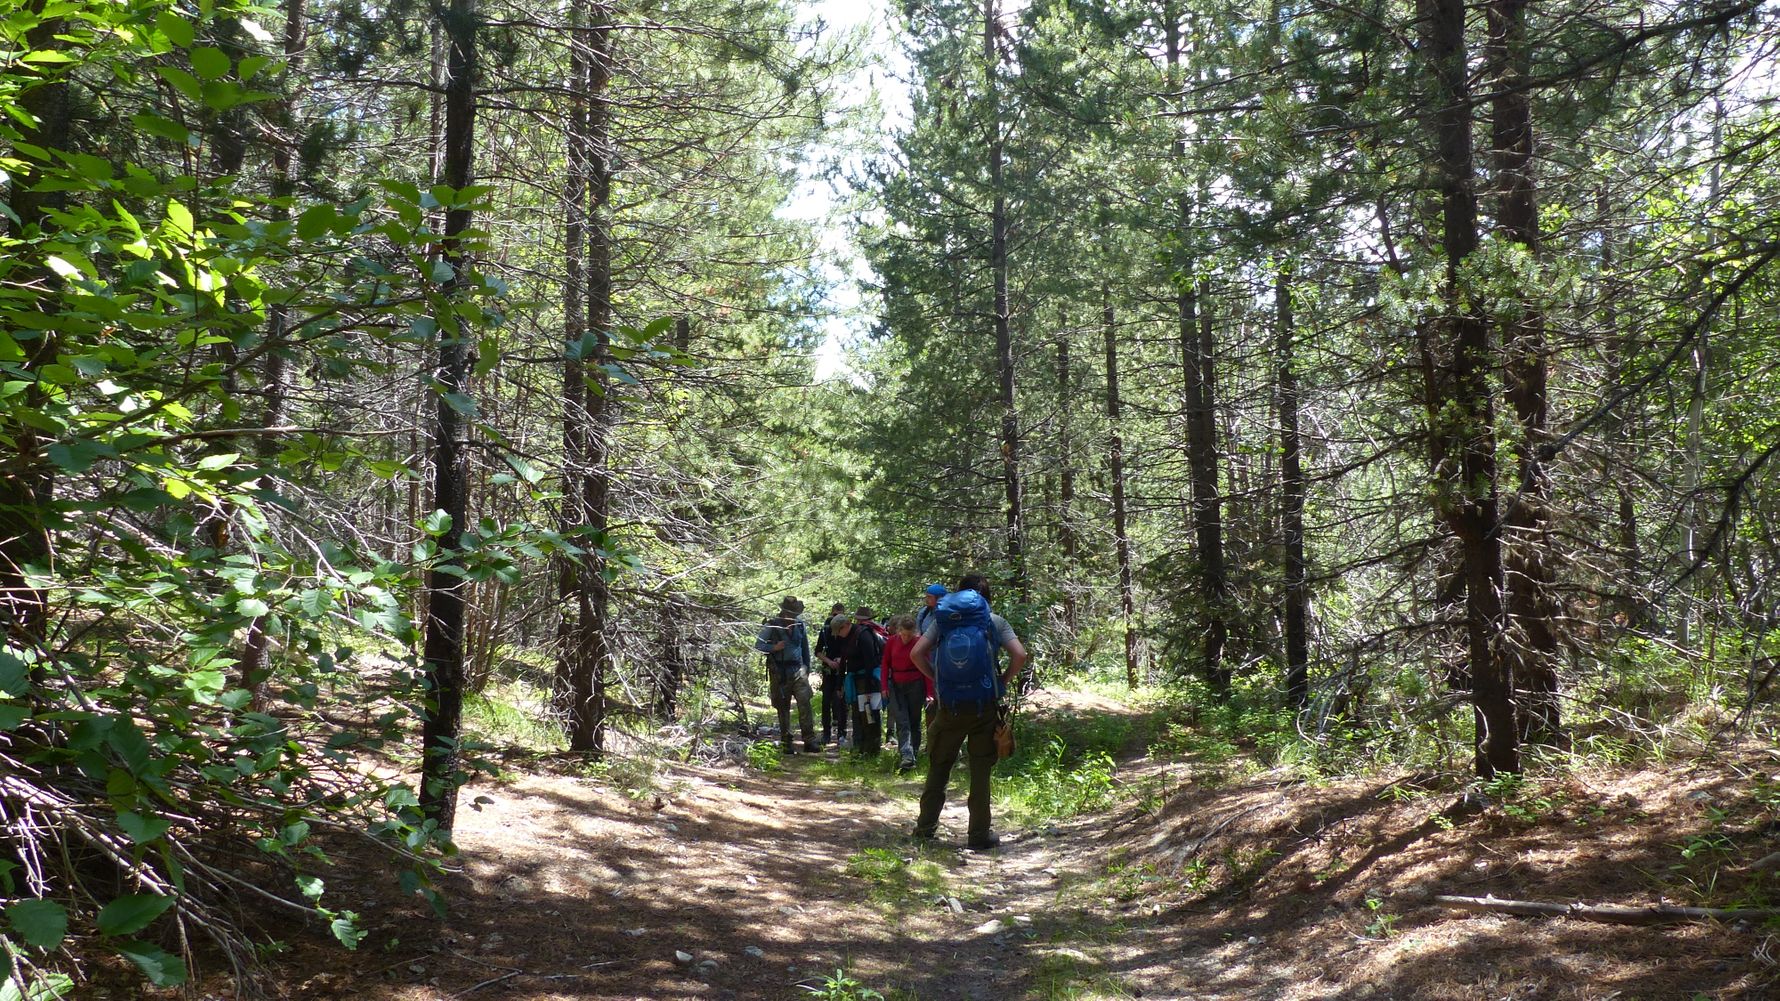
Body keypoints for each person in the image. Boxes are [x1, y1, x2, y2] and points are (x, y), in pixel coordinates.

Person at [910, 573, 1027, 850]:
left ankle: (925, 829)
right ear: (986, 597)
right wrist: (1002, 682)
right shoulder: (993, 621)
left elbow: (916, 654)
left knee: (939, 766)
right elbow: (1020, 655)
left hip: (949, 706)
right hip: (983, 707)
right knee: (980, 771)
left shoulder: (943, 621)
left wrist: (937, 681)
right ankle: (978, 835)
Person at [754, 597, 816, 753]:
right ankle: (786, 742)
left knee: (805, 704)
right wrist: (774, 647)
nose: (792, 616)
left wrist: (806, 668)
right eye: (790, 613)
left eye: (795, 613)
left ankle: (809, 741)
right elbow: (759, 645)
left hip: (798, 670)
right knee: (783, 707)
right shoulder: (772, 625)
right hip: (779, 672)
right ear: (783, 611)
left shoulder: (800, 625)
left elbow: (805, 648)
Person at [828, 613, 885, 757]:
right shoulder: (845, 638)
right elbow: (843, 662)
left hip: (868, 680)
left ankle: (873, 750)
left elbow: (870, 661)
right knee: (857, 715)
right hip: (854, 681)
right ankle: (860, 747)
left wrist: (868, 687)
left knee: (870, 715)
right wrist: (839, 684)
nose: (839, 635)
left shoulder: (863, 635)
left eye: (839, 631)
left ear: (846, 625)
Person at [881, 613, 931, 772]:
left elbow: (926, 669)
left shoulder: (919, 643)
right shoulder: (891, 642)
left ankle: (913, 755)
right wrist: (884, 687)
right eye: (903, 634)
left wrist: (930, 692)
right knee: (902, 721)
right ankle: (906, 755)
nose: (906, 638)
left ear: (914, 632)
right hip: (896, 684)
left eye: (909, 635)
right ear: (898, 631)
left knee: (914, 721)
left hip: (916, 685)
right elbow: (885, 665)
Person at [813, 602, 848, 747]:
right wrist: (828, 661)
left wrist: (842, 659)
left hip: (843, 669)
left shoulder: (846, 630)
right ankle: (826, 734)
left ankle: (841, 733)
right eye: (835, 614)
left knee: (841, 702)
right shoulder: (825, 630)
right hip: (828, 671)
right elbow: (818, 651)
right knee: (826, 701)